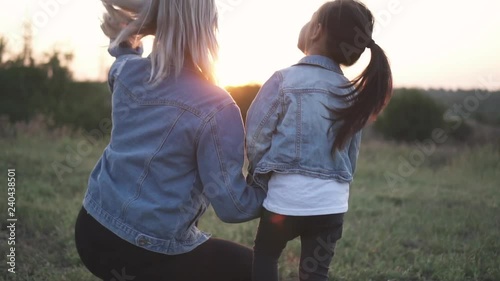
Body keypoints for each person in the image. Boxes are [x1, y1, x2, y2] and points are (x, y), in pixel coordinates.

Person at [74, 1, 265, 281]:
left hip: (91, 232)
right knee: (253, 268)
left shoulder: (127, 73)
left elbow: (122, 58)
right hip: (144, 252)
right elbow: (232, 206)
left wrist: (127, 42)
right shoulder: (218, 107)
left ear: (156, 21)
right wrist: (270, 188)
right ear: (208, 26)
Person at [245, 1, 393, 280]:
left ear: (315, 30)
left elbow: (255, 139)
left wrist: (259, 179)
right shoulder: (350, 92)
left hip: (285, 202)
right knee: (316, 273)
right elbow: (351, 156)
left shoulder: (283, 80)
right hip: (332, 206)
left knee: (265, 255)